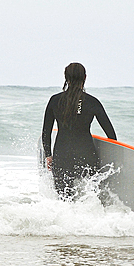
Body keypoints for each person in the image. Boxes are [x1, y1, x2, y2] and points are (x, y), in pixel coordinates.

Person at [41, 62, 116, 199]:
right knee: (89, 198)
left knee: (64, 199)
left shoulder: (54, 100)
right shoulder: (92, 102)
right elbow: (111, 134)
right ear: (85, 78)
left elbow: (46, 132)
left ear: (65, 77)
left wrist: (48, 155)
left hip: (62, 155)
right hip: (87, 155)